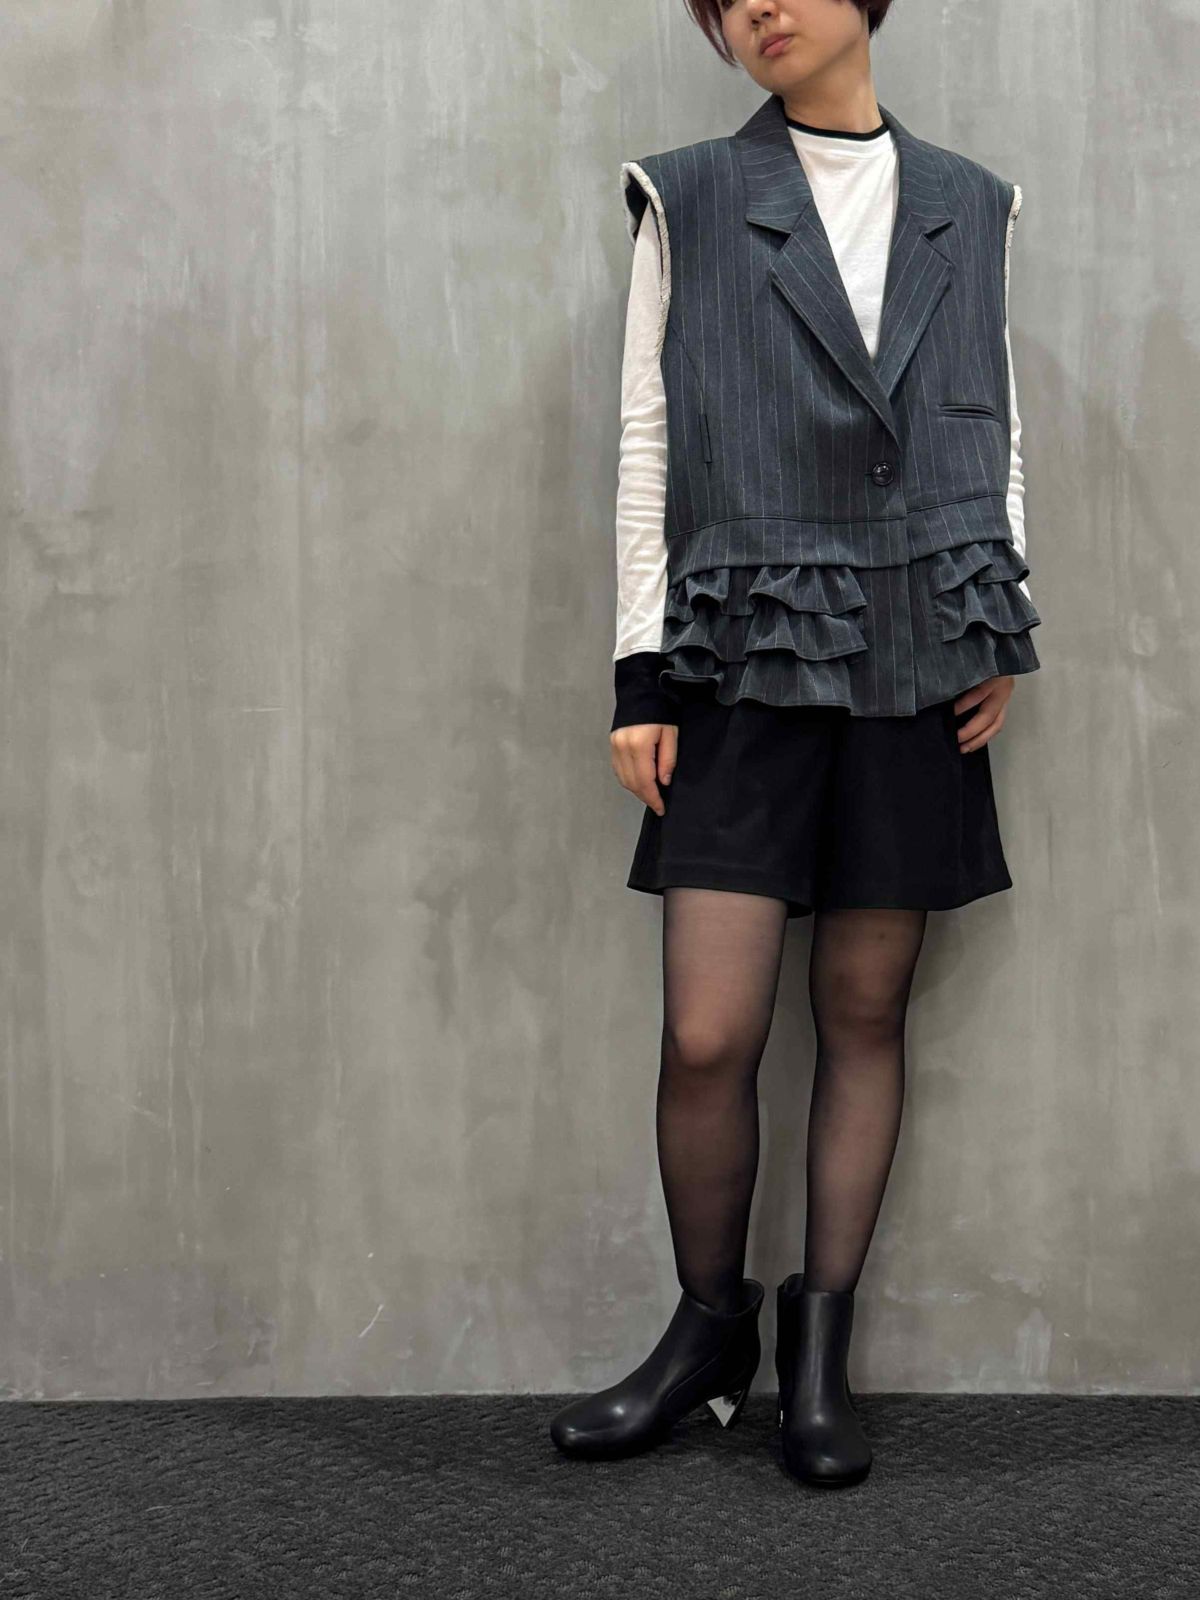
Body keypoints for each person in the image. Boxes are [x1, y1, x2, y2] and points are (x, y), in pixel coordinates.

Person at [549, 0, 1041, 1487]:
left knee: (865, 1011)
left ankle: (819, 1357)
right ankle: (709, 1336)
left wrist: (998, 615)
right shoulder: (687, 194)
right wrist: (640, 675)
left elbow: (996, 420)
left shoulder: (973, 201)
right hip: (740, 646)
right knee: (710, 1030)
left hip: (920, 643)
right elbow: (649, 435)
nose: (760, 8)